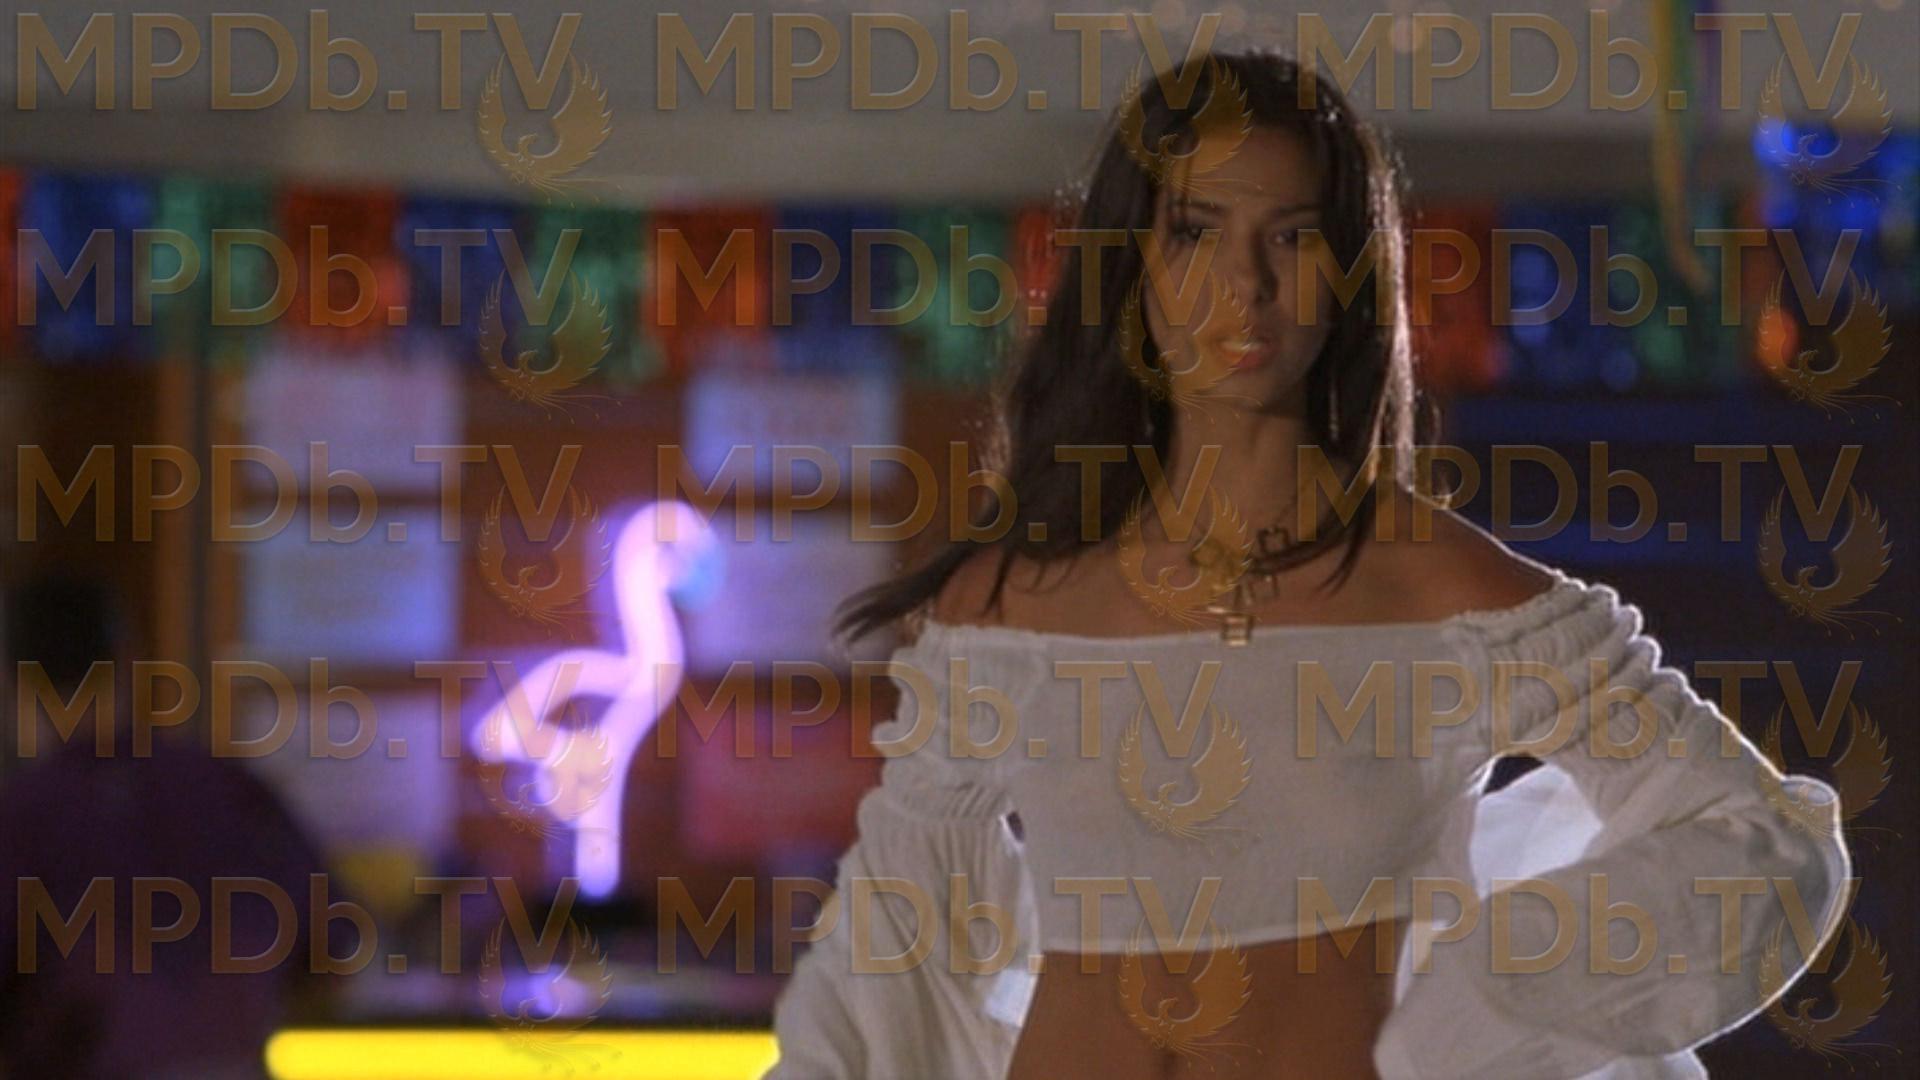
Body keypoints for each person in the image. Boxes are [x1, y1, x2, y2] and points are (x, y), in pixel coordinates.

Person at [764, 48, 1851, 1079]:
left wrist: (1488, 1010)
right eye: (1195, 231)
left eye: (1290, 237)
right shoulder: (1010, 602)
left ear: (1350, 270)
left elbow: (1763, 840)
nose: (1245, 284)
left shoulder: (1445, 594)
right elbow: (893, 941)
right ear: (1131, 263)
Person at [0, 574, 338, 1079]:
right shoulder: (233, 791)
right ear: (128, 662)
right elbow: (337, 946)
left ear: (13, 681)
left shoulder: (23, 816)